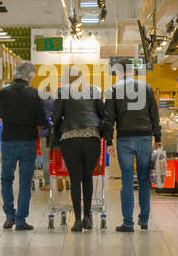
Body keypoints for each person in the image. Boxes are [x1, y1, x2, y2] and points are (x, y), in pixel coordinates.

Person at [51, 65, 108, 232]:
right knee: (88, 177)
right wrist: (101, 133)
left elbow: (56, 117)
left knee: (75, 179)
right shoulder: (95, 91)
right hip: (92, 138)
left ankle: (77, 220)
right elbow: (103, 115)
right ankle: (88, 218)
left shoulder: (62, 92)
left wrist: (57, 133)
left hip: (70, 138)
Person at [107, 66, 162, 232]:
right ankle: (144, 220)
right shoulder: (147, 88)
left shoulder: (113, 90)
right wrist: (158, 137)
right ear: (133, 72)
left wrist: (109, 141)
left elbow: (109, 118)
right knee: (144, 181)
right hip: (145, 137)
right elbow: (154, 114)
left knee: (127, 181)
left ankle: (128, 223)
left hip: (125, 138)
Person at [0, 60, 47, 230]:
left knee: (6, 179)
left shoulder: (3, 93)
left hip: (8, 140)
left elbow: (0, 113)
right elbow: (41, 120)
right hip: (28, 141)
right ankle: (20, 220)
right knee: (25, 182)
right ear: (30, 77)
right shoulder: (34, 94)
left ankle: (9, 216)